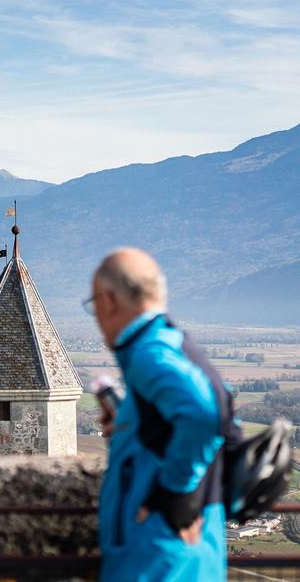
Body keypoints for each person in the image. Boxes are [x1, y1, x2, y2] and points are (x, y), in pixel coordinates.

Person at [87, 248, 240, 582]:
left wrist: (176, 493)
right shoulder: (175, 343)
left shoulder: (149, 352)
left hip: (159, 556)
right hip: (183, 551)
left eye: (93, 304)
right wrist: (128, 428)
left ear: (108, 300)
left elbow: (202, 415)